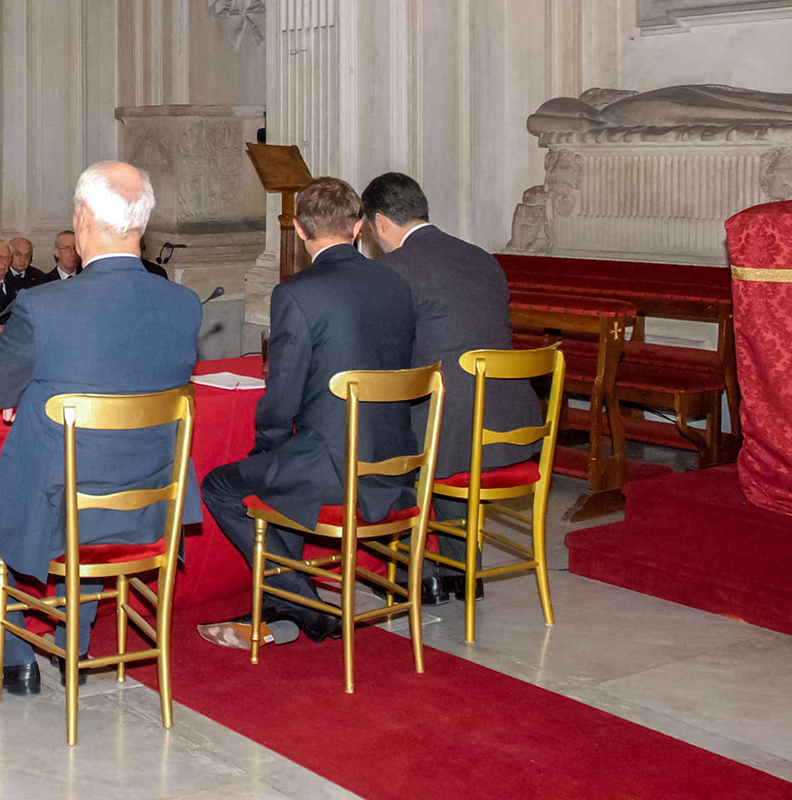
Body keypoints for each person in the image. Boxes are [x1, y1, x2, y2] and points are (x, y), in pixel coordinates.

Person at [0, 161, 203, 695]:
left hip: (54, 507)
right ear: (142, 224)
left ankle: (14, 657)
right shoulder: (183, 304)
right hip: (148, 506)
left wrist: (32, 394)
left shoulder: (45, 304)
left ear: (81, 219)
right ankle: (73, 647)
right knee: (93, 484)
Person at [196, 177, 418, 650]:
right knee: (280, 470)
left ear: (298, 229)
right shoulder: (397, 284)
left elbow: (282, 397)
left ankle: (302, 602)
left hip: (332, 470)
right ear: (358, 226)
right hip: (395, 466)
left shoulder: (297, 292)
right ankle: (291, 600)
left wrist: (267, 445)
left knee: (220, 485)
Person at [361, 171, 538, 603]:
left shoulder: (394, 269)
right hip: (509, 418)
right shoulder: (481, 257)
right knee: (442, 418)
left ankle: (412, 572)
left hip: (449, 426)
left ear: (380, 222)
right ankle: (462, 573)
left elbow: (385, 357)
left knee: (373, 429)